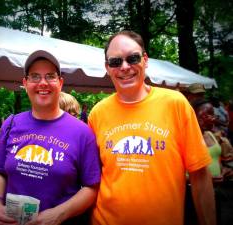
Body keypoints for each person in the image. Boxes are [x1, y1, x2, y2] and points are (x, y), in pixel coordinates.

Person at [88, 30, 216, 225]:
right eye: (115, 62)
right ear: (107, 68)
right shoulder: (98, 113)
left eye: (132, 58)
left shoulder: (175, 103)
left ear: (145, 60)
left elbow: (199, 174)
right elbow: (93, 178)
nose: (124, 67)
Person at [0, 50, 101, 225]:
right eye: (35, 77)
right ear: (25, 83)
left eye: (50, 76)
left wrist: (59, 214)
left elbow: (91, 188)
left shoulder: (82, 132)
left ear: (60, 83)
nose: (43, 83)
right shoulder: (11, 124)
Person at [0, 91, 81, 210]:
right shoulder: (21, 131)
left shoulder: (76, 138)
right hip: (4, 206)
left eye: (75, 116)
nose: (75, 121)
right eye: (71, 115)